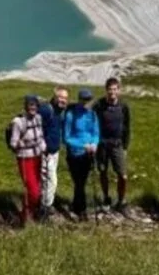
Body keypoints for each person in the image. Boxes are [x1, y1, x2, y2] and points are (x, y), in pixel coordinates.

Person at [8, 94, 48, 224]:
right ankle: (26, 215)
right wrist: (21, 144)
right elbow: (13, 143)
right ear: (26, 107)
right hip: (25, 159)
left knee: (38, 186)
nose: (33, 108)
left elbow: (40, 136)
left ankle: (31, 212)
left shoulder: (39, 118)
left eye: (35, 105)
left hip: (38, 156)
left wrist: (44, 148)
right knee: (33, 190)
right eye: (30, 105)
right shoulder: (18, 122)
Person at [94, 76, 131, 211]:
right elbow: (92, 120)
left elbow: (127, 127)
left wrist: (125, 146)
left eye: (115, 89)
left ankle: (121, 201)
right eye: (110, 89)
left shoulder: (124, 106)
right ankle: (106, 197)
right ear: (106, 90)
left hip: (117, 144)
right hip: (102, 144)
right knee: (103, 172)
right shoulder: (99, 105)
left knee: (122, 175)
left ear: (119, 90)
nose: (112, 92)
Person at [63, 88, 100, 220]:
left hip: (88, 154)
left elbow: (95, 132)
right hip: (74, 154)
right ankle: (82, 211)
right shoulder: (70, 115)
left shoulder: (92, 115)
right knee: (79, 182)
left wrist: (95, 144)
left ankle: (76, 206)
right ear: (79, 100)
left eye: (88, 100)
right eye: (83, 99)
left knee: (81, 183)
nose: (86, 102)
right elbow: (66, 138)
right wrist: (82, 145)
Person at [38, 87, 68, 218]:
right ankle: (45, 207)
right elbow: (38, 128)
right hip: (45, 152)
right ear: (55, 97)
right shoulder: (46, 110)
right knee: (51, 180)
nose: (63, 100)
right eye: (61, 97)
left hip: (54, 151)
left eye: (65, 98)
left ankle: (45, 206)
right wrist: (42, 145)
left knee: (48, 180)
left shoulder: (60, 111)